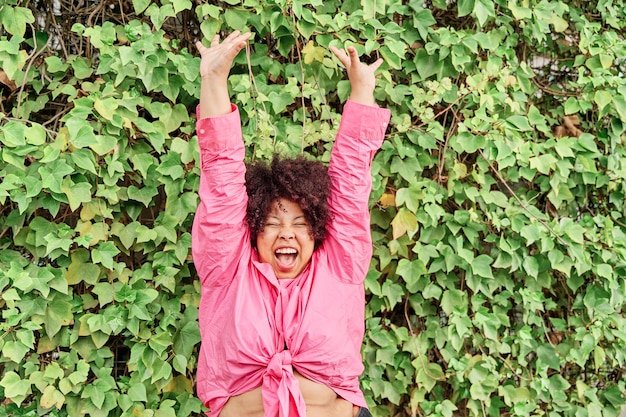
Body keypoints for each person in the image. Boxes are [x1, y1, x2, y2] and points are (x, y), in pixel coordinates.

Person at [191, 30, 391, 417]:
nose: (286, 233)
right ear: (252, 229)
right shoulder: (227, 269)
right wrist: (213, 79)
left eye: (301, 223)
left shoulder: (340, 265)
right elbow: (220, 179)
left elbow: (350, 183)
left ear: (317, 229)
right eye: (272, 222)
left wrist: (362, 91)